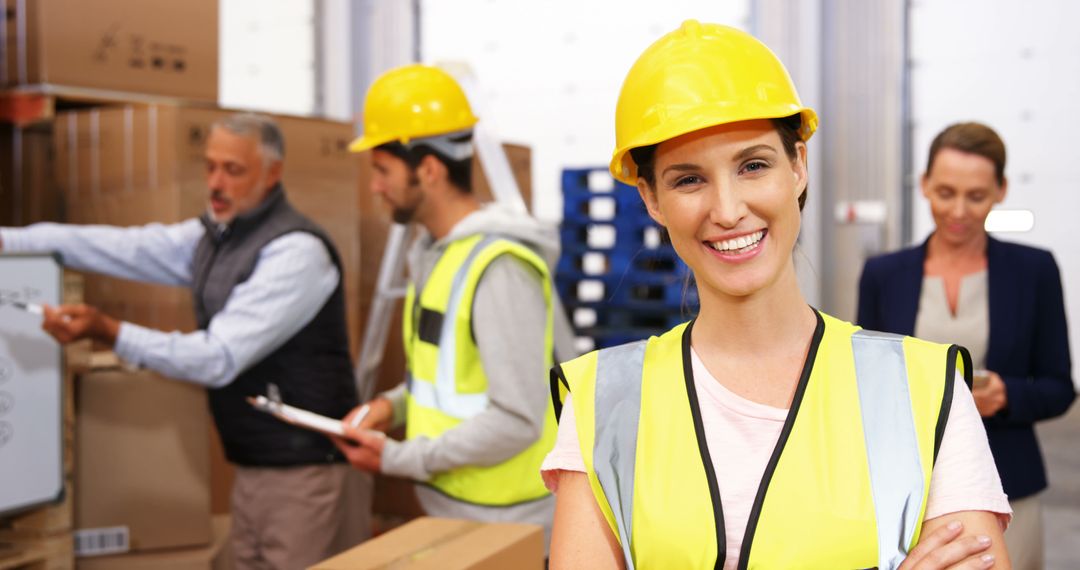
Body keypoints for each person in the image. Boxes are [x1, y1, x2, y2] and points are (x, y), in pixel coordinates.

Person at [542, 21, 1012, 569]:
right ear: (650, 198)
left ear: (798, 167)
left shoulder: (925, 390)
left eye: (753, 165)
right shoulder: (603, 401)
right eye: (688, 179)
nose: (727, 209)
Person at [0, 113, 369, 570]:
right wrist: (10, 241)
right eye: (210, 166)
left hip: (305, 470)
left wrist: (108, 331)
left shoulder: (295, 253)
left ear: (273, 173)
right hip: (257, 461)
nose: (215, 182)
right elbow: (120, 248)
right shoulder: (213, 237)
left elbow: (217, 358)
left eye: (233, 170)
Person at [334, 64, 564, 542]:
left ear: (430, 170)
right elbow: (450, 380)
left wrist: (396, 457)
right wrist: (389, 407)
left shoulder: (498, 269)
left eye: (382, 170)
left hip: (506, 523)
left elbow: (517, 419)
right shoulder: (437, 256)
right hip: (454, 507)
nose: (375, 186)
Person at [858, 122, 1075, 569]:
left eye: (976, 196)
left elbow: (1059, 385)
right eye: (945, 192)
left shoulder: (1034, 271)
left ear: (1001, 190)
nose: (958, 210)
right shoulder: (884, 275)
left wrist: (1007, 396)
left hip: (1009, 486)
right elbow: (868, 384)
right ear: (923, 186)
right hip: (906, 489)